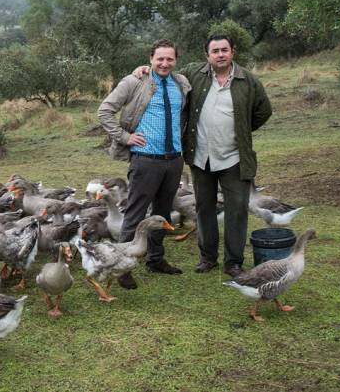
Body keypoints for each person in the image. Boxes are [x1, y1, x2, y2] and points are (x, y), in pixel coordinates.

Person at [133, 34, 272, 277]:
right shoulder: (193, 74)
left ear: (232, 52)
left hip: (234, 157)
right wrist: (145, 68)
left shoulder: (248, 80)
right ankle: (208, 258)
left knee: (237, 209)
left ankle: (234, 262)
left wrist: (242, 128)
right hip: (200, 157)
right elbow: (165, 68)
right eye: (215, 51)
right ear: (207, 55)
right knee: (204, 207)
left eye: (224, 50)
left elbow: (264, 111)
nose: (220, 54)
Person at [98, 39, 191, 289]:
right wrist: (125, 137)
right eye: (159, 58)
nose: (164, 63)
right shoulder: (134, 82)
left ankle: (156, 258)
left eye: (169, 58)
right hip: (145, 159)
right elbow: (105, 110)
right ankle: (123, 266)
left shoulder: (181, 84)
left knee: (162, 213)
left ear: (175, 60)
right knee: (136, 213)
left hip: (174, 159)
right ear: (150, 58)